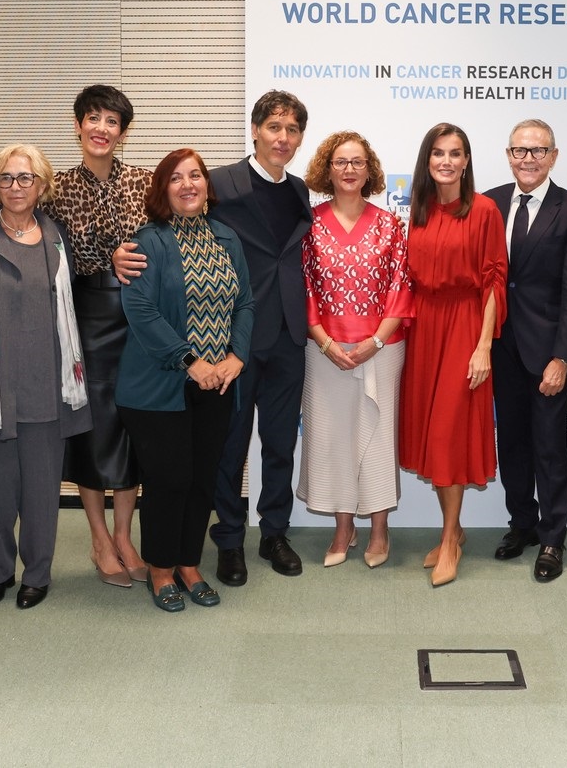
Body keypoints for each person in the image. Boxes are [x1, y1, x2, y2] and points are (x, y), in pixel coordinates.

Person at [0, 144, 91, 611]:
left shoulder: (56, 238)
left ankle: (37, 573)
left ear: (42, 185)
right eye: (6, 179)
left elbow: (69, 311)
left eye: (25, 178)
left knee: (41, 489)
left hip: (48, 384)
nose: (16, 187)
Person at [116, 150, 254, 612]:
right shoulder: (147, 241)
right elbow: (141, 311)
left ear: (207, 185)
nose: (188, 184)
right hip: (161, 386)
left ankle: (189, 563)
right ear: (163, 189)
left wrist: (237, 357)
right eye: (176, 178)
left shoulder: (227, 238)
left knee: (201, 480)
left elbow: (246, 304)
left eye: (195, 175)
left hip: (217, 383)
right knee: (169, 480)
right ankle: (160, 569)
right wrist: (189, 360)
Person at [201, 90, 313, 585]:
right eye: (274, 127)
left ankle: (274, 532)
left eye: (291, 130)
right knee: (230, 442)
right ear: (254, 130)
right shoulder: (219, 182)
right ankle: (228, 537)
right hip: (235, 337)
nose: (282, 138)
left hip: (290, 334)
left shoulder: (301, 190)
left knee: (281, 443)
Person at [46, 84, 151, 589]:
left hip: (136, 320)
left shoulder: (146, 183)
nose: (102, 129)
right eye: (93, 118)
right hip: (84, 319)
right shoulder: (55, 188)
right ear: (78, 125)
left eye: (112, 121)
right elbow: (50, 261)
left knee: (131, 425)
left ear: (123, 132)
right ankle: (97, 537)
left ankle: (126, 535)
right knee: (92, 428)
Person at [484, 119, 567, 583]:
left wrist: (563, 358)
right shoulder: (488, 202)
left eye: (538, 151)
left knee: (549, 447)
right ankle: (522, 525)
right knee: (510, 442)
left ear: (553, 156)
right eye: (519, 151)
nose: (527, 159)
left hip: (546, 351)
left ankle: (553, 537)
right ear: (508, 155)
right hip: (497, 348)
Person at [399, 122, 507, 587]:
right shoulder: (418, 211)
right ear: (428, 161)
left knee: (449, 434)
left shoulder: (483, 211)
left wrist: (483, 346)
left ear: (467, 161)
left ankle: (447, 541)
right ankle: (455, 530)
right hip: (424, 330)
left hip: (465, 327)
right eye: (438, 153)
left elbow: (494, 282)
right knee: (431, 432)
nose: (446, 161)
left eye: (456, 153)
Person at [298, 131, 413, 569]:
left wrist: (376, 340)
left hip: (382, 347)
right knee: (331, 438)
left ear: (370, 170)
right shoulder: (308, 222)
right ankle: (343, 526)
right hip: (323, 348)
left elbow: (401, 289)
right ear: (328, 169)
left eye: (357, 162)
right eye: (340, 162)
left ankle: (380, 529)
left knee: (378, 436)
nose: (349, 169)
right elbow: (303, 288)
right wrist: (326, 341)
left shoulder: (390, 225)